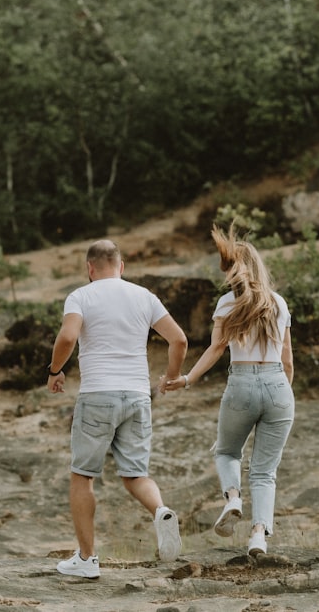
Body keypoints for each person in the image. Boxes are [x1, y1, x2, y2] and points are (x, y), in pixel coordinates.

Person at [47, 239, 188, 579]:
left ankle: (87, 559)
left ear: (90, 268)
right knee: (135, 474)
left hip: (98, 394)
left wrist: (54, 371)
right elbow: (179, 340)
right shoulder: (144, 296)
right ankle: (161, 510)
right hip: (138, 395)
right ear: (121, 266)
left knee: (83, 475)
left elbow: (67, 338)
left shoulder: (81, 295)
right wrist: (170, 377)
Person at [161, 224, 294, 557]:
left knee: (226, 451)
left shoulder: (226, 303)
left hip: (242, 384)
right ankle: (258, 536)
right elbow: (288, 361)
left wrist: (188, 378)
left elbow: (217, 348)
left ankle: (233, 498)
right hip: (279, 386)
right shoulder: (279, 303)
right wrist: (279, 396)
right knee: (265, 472)